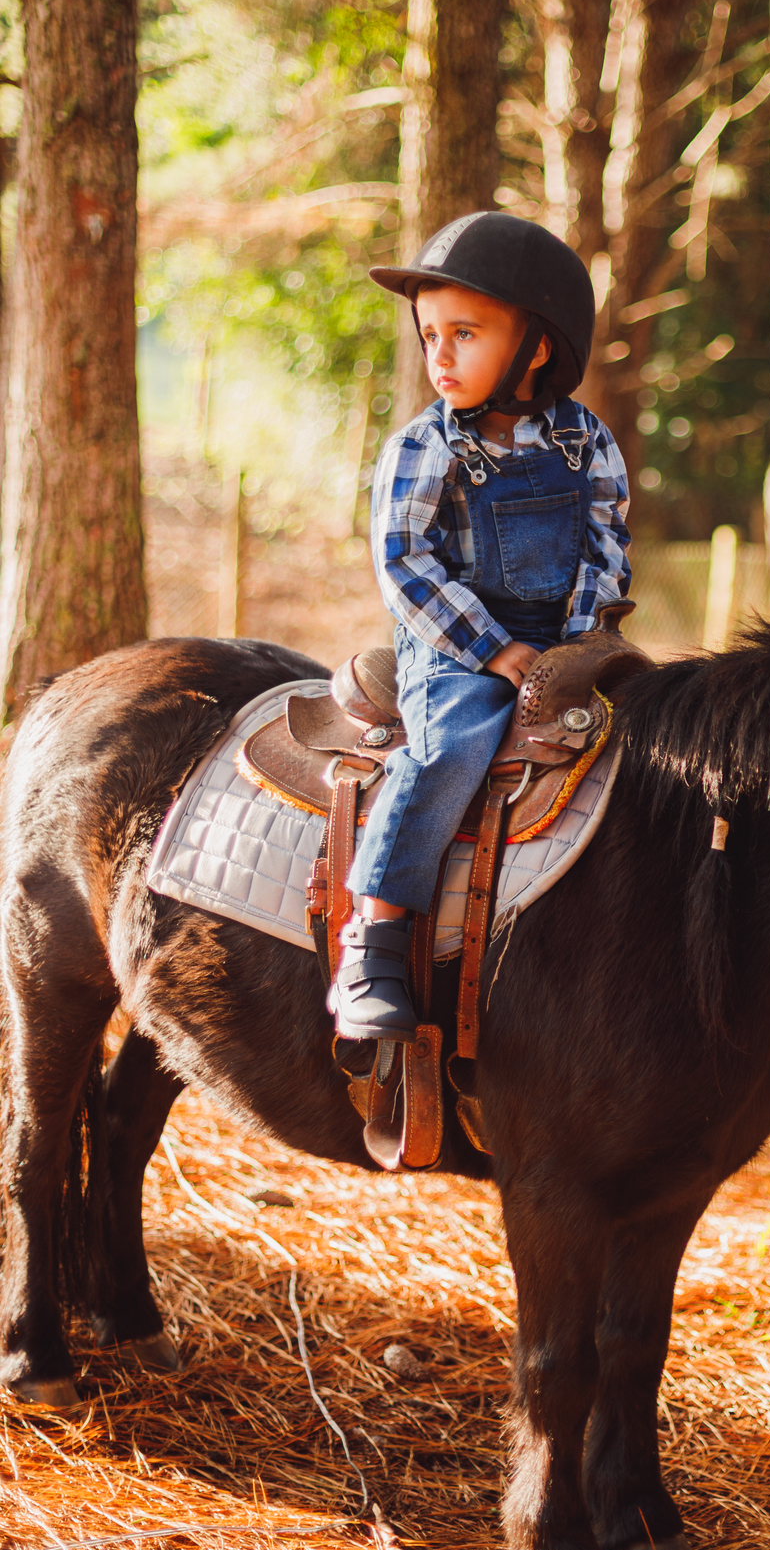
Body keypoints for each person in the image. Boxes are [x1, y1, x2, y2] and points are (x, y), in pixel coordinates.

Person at [329, 211, 632, 1043]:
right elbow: (404, 566)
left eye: (465, 333)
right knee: (452, 745)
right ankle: (374, 939)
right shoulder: (426, 445)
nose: (440, 355)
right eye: (431, 334)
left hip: (563, 640)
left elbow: (607, 543)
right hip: (457, 645)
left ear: (537, 346)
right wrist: (498, 652)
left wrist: (580, 643)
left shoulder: (586, 441)